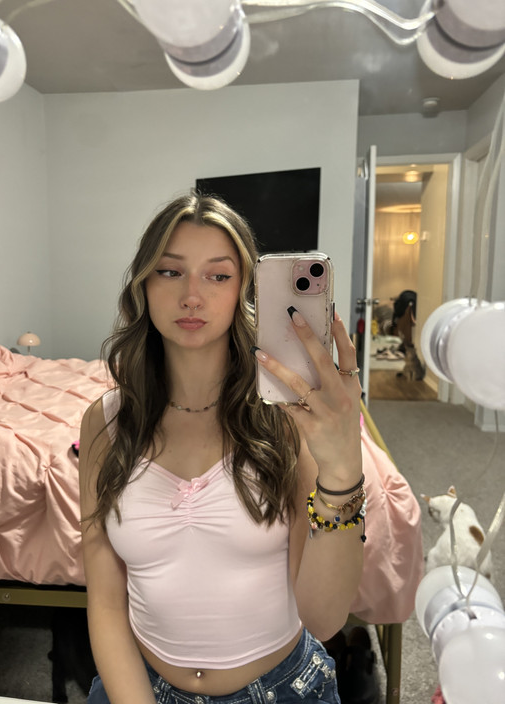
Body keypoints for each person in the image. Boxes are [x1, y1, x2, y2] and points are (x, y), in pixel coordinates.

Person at [79, 191, 366, 704]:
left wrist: (342, 471)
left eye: (218, 276)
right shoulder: (105, 424)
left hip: (281, 690)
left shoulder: (286, 421)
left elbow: (323, 618)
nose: (192, 296)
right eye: (170, 271)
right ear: (143, 284)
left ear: (243, 291)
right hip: (140, 685)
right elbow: (105, 603)